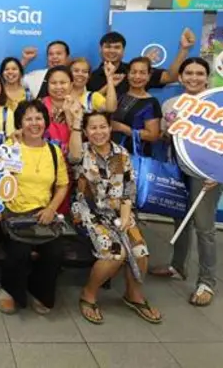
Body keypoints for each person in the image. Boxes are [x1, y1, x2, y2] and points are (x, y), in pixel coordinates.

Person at [69, 110, 162, 325]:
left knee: (140, 250)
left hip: (119, 212)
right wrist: (75, 122)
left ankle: (133, 294)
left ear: (110, 128)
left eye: (103, 127)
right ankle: (88, 294)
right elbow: (73, 156)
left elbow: (127, 190)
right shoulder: (82, 152)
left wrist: (126, 218)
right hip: (88, 212)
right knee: (115, 253)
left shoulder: (121, 154)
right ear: (85, 131)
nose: (98, 132)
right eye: (93, 128)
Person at [151, 57, 223, 307]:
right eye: (189, 73)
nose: (194, 78)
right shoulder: (171, 104)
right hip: (178, 169)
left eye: (199, 73)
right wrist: (167, 132)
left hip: (206, 174)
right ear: (181, 78)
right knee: (180, 219)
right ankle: (177, 266)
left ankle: (207, 282)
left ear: (207, 77)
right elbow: (165, 136)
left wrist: (218, 173)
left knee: (204, 228)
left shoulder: (218, 106)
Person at [0, 100, 68, 315]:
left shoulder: (54, 151)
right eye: (28, 119)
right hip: (12, 213)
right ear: (20, 123)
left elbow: (62, 185)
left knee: (55, 252)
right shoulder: (10, 148)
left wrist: (51, 209)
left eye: (39, 118)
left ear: (45, 122)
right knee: (18, 250)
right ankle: (8, 288)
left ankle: (38, 290)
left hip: (43, 214)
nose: (34, 123)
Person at [87, 29, 196, 96]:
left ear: (123, 51)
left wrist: (184, 49)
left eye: (117, 47)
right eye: (108, 47)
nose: (112, 51)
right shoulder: (90, 77)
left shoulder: (135, 71)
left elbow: (170, 77)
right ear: (100, 49)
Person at [110, 57, 162, 156]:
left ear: (149, 76)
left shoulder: (151, 102)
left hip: (135, 155)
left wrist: (123, 128)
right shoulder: (119, 95)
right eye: (133, 72)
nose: (137, 76)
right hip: (111, 151)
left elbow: (153, 136)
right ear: (128, 74)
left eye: (142, 73)